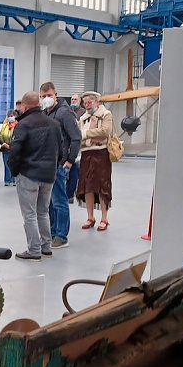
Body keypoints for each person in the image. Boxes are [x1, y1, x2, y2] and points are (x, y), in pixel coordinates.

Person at [8, 91, 62, 261]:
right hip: (49, 174)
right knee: (43, 212)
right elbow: (60, 149)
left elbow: (15, 151)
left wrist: (14, 171)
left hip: (28, 174)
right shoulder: (54, 124)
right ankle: (46, 246)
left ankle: (33, 250)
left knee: (29, 214)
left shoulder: (23, 125)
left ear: (24, 106)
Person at [39, 81, 81, 249]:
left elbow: (76, 138)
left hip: (59, 164)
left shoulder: (65, 113)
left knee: (59, 201)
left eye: (49, 95)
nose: (46, 99)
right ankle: (52, 231)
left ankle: (61, 235)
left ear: (56, 94)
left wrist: (70, 160)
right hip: (46, 164)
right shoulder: (46, 113)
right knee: (48, 202)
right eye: (43, 96)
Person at [76, 91, 114, 232]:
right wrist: (89, 138)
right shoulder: (82, 118)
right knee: (87, 186)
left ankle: (104, 218)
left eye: (90, 102)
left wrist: (86, 135)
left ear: (97, 102)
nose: (87, 105)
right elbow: (78, 136)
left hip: (101, 153)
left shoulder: (106, 114)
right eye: (85, 102)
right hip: (86, 154)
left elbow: (105, 132)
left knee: (102, 185)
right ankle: (90, 217)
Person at [67, 94, 82, 202]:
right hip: (67, 146)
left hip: (77, 147)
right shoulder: (67, 111)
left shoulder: (83, 113)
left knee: (74, 173)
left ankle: (70, 194)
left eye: (75, 99)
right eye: (72, 99)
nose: (73, 101)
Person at [0, 109, 18, 186]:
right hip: (5, 148)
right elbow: (0, 135)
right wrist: (3, 143)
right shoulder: (5, 125)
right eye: (9, 116)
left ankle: (13, 179)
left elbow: (18, 137)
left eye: (12, 116)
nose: (10, 117)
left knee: (13, 164)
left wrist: (12, 145)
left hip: (14, 148)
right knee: (6, 164)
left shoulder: (18, 125)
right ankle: (7, 180)